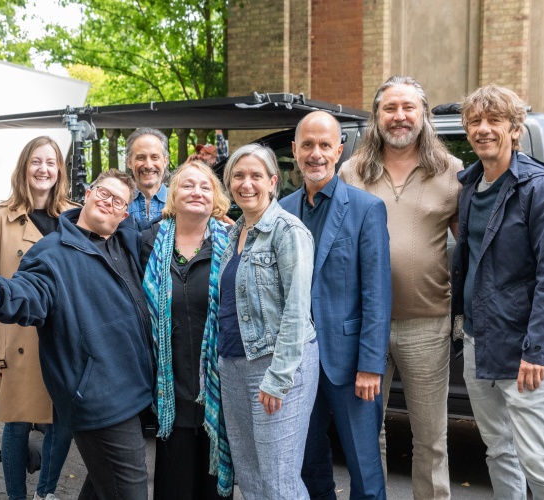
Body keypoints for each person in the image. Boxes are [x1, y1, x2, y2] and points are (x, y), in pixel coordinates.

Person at [0, 169, 154, 500]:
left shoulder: (125, 241)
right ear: (89, 193)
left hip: (134, 387)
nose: (108, 203)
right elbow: (30, 293)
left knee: (103, 482)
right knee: (130, 490)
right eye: (103, 193)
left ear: (125, 213)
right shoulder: (51, 253)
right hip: (99, 397)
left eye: (118, 200)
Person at [338, 76, 461, 499]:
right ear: (376, 117)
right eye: (389, 108)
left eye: (408, 107)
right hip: (363, 325)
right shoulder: (351, 172)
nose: (399, 116)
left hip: (427, 323)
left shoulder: (451, 172)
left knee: (431, 437)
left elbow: (475, 246)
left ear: (424, 115)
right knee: (368, 434)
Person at [452, 84, 544, 499]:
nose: (483, 129)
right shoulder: (469, 186)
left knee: (538, 460)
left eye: (494, 121)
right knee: (498, 450)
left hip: (523, 351)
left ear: (515, 128)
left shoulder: (540, 189)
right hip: (476, 341)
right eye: (475, 121)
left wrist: (537, 350)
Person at [281, 111, 392, 500]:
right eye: (308, 145)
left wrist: (370, 365)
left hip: (349, 365)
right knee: (308, 462)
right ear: (295, 151)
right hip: (296, 364)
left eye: (324, 145)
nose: (316, 154)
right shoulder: (281, 211)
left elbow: (377, 295)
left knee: (364, 466)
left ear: (339, 151)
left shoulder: (366, 209)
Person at [218, 143, 319, 499]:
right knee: (251, 477)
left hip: (276, 366)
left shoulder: (288, 231)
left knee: (279, 480)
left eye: (256, 176)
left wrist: (278, 378)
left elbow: (297, 308)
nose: (247, 184)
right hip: (233, 365)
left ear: (273, 182)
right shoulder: (235, 233)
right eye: (238, 176)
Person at [0, 136, 77, 500]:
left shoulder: (73, 216)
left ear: (59, 170)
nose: (43, 169)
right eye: (36, 162)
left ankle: (45, 493)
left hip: (63, 335)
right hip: (16, 336)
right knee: (17, 423)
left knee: (62, 420)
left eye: (51, 163)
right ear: (24, 168)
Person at [141, 160, 234, 499]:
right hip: (170, 389)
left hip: (220, 390)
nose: (196, 192)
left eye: (205, 186)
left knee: (212, 488)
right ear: (173, 194)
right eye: (187, 185)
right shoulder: (148, 243)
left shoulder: (233, 245)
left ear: (216, 198)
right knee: (174, 487)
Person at [127, 127, 170, 221]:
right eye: (141, 157)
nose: (148, 165)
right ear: (129, 162)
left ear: (165, 161)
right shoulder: (119, 202)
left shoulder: (178, 200)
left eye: (155, 157)